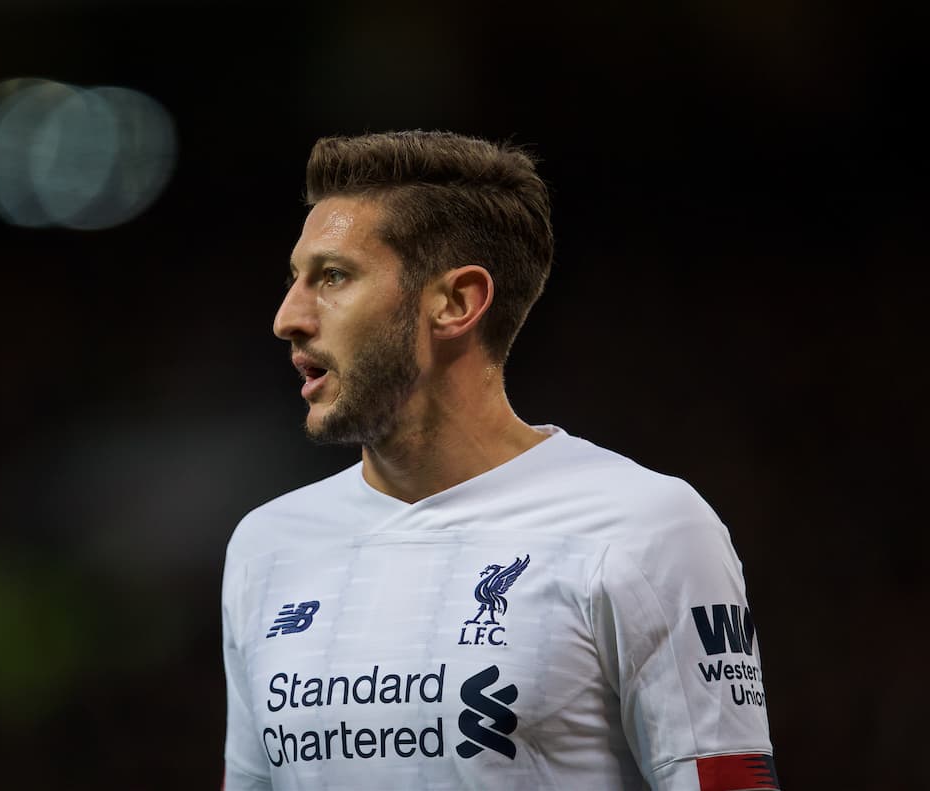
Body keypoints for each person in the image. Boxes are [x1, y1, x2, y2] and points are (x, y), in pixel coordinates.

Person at [221, 131, 777, 790]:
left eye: (333, 276)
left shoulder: (647, 528)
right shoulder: (268, 544)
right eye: (295, 279)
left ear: (455, 303)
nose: (289, 317)